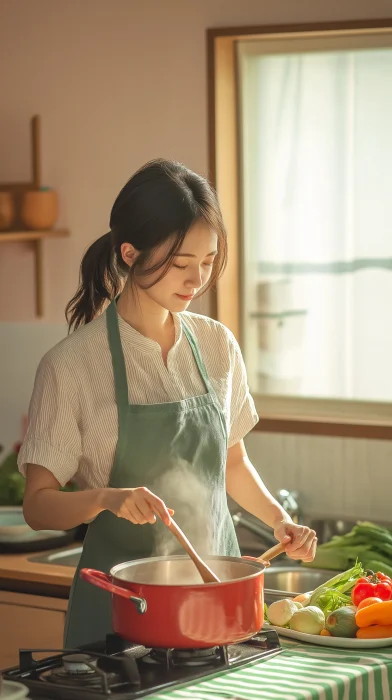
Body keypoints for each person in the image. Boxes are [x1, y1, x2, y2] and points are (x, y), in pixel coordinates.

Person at [18, 158, 317, 648]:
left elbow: (232, 462)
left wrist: (280, 524)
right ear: (130, 252)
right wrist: (106, 499)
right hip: (122, 615)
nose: (196, 279)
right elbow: (37, 506)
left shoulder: (218, 345)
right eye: (181, 264)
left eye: (207, 261)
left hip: (217, 605)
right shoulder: (71, 365)